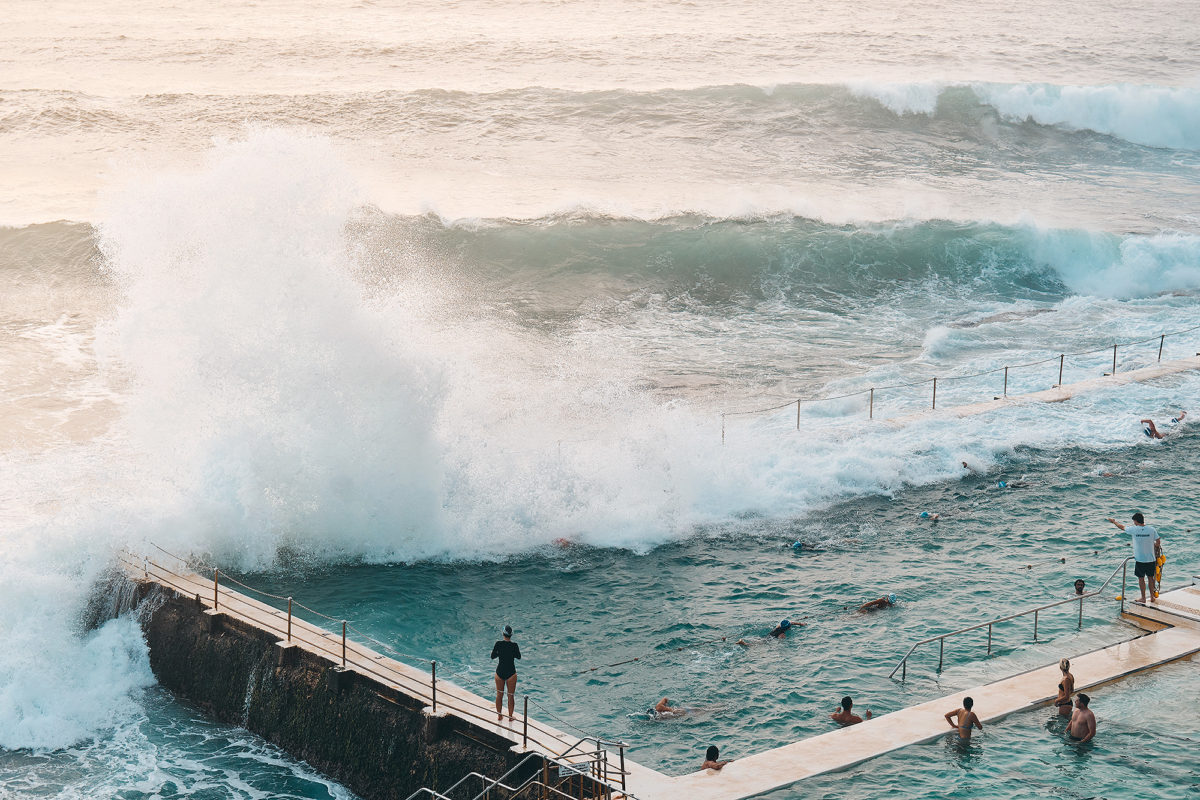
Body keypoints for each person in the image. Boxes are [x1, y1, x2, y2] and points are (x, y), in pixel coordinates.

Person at [1106, 513, 1163, 602]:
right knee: (1151, 578)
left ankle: (1143, 598)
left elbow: (1122, 527)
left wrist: (1114, 522)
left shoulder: (1134, 529)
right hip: (1151, 559)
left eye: (1134, 521)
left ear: (1136, 521)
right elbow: (1158, 542)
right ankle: (1152, 597)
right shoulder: (1152, 529)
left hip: (1140, 559)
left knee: (1141, 579)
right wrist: (1153, 545)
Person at [491, 625, 521, 721]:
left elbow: (492, 656)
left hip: (499, 672)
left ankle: (499, 716)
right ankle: (510, 716)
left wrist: (500, 653)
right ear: (511, 635)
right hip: (511, 673)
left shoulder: (498, 644)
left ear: (503, 633)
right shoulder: (514, 645)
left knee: (499, 695)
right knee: (510, 696)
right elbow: (518, 656)